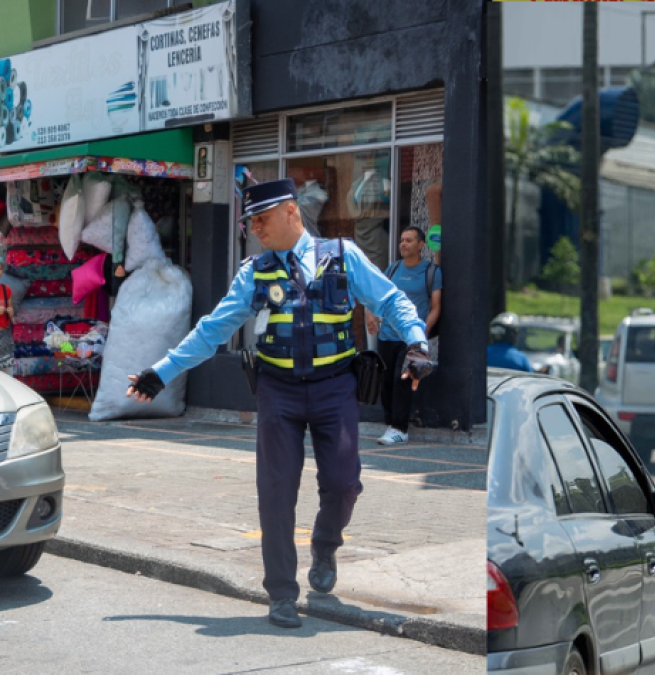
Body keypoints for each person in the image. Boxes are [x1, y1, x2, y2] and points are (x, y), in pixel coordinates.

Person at [125, 179, 434, 629]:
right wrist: (162, 372)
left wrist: (417, 344)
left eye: (261, 219)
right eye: (250, 222)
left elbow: (391, 300)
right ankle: (282, 593)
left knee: (345, 484)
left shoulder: (343, 256)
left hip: (335, 389)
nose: (255, 229)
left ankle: (325, 546)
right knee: (275, 495)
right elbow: (212, 330)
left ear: (291, 212)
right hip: (278, 392)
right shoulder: (255, 272)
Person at [366, 226, 442, 445]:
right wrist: (370, 314)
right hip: (387, 335)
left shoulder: (432, 272)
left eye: (409, 240)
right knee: (385, 381)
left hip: (409, 340)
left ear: (421, 245)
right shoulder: (393, 269)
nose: (403, 244)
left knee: (403, 381)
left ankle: (400, 428)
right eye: (401, 240)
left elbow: (436, 307)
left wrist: (421, 333)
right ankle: (391, 423)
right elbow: (377, 295)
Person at [0, 258, 14, 375]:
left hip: (5, 334)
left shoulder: (6, 289)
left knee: (7, 370)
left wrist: (10, 311)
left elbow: (11, 309)